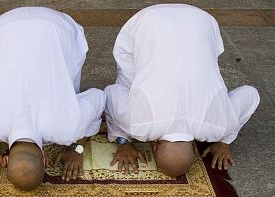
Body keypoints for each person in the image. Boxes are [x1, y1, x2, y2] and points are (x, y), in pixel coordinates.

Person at [0, 7, 106, 190]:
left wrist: (77, 149)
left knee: (66, 75)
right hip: (5, 27)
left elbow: (99, 97)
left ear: (45, 161)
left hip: (57, 27)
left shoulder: (67, 129)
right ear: (5, 160)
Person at [104, 4, 260, 176]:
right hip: (147, 21)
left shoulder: (219, 127)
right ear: (154, 147)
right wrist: (124, 141)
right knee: (129, 85)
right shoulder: (137, 126)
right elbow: (111, 93)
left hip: (201, 21)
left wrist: (224, 141)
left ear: (194, 146)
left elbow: (250, 94)